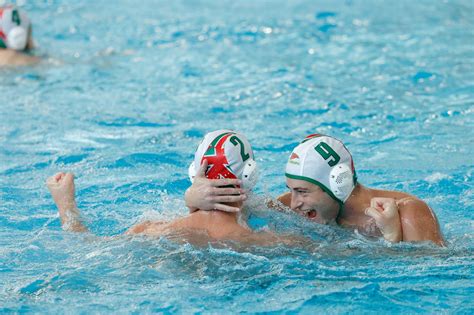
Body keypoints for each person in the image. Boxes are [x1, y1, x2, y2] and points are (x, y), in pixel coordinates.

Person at [46, 130, 308, 246]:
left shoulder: (151, 229)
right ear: (249, 178)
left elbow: (85, 245)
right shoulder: (271, 242)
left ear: (194, 174)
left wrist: (65, 203)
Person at [185, 133, 444, 246]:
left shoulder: (408, 213)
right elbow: (233, 215)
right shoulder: (293, 205)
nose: (294, 202)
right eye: (292, 190)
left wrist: (391, 235)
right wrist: (193, 199)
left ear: (338, 183)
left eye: (303, 191)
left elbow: (429, 274)